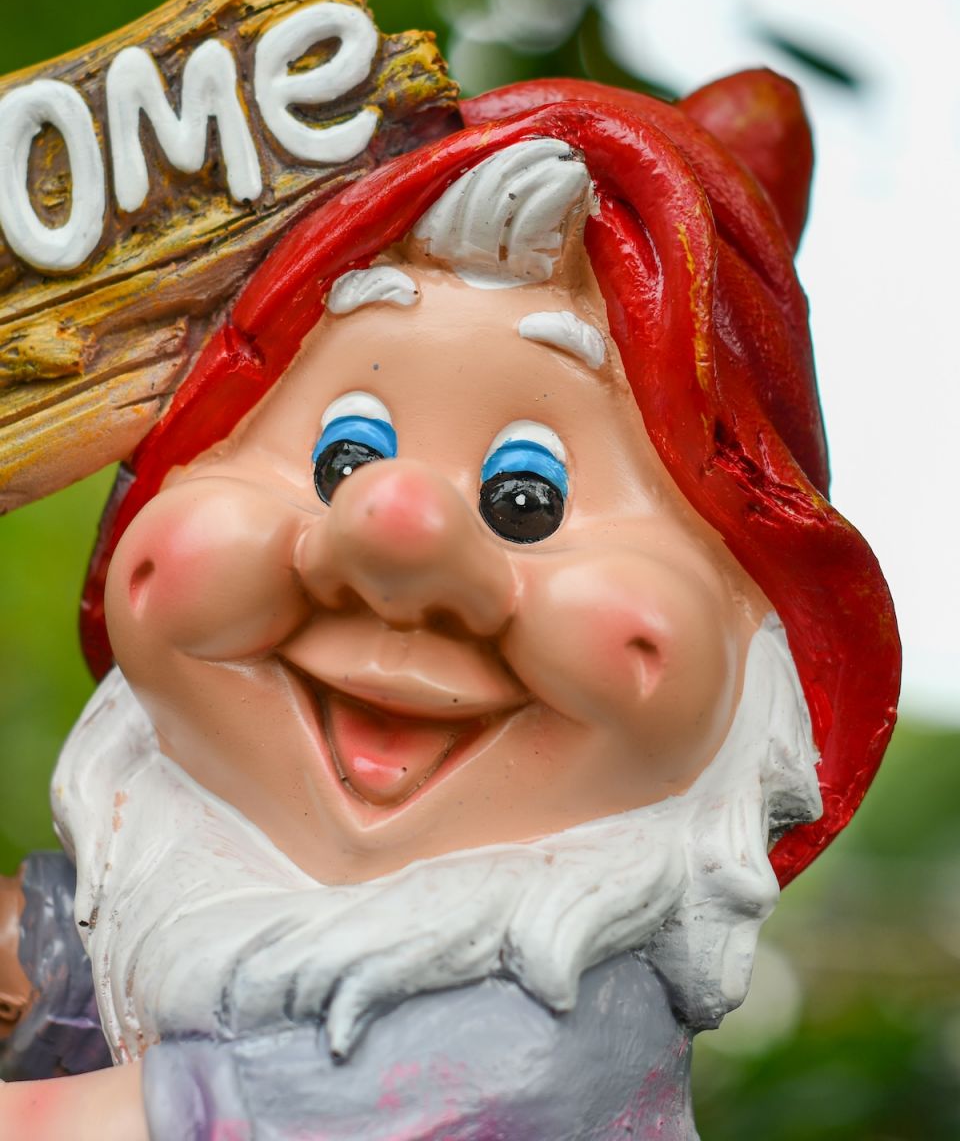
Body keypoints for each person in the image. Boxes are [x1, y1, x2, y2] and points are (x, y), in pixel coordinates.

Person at [0, 74, 900, 1140]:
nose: (395, 532)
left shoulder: (534, 1031)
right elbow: (82, 968)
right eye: (342, 457)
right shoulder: (187, 900)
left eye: (529, 501)